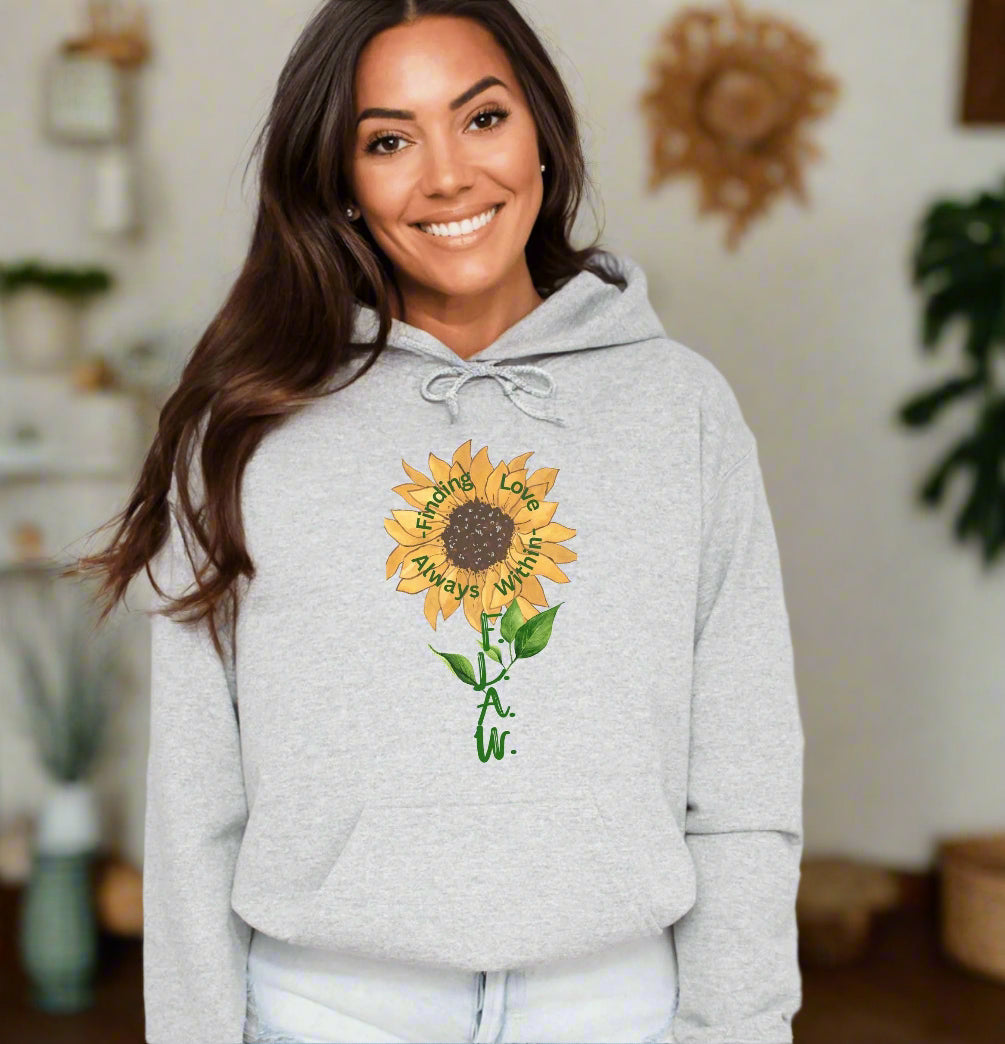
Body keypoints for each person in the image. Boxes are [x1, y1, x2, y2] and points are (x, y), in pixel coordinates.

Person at [69, 1, 805, 1041]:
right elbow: (194, 803)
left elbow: (745, 769)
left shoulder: (680, 410)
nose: (448, 174)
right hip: (326, 1011)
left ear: (544, 135)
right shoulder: (244, 427)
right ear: (341, 182)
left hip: (618, 1009)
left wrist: (740, 1025)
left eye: (483, 118)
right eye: (389, 140)